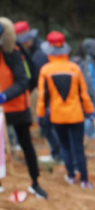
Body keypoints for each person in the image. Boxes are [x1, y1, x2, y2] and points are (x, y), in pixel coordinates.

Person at [37, 32, 95, 189]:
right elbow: (84, 94)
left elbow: (43, 97)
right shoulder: (74, 68)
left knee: (65, 147)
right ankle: (85, 180)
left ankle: (70, 176)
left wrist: (40, 114)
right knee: (79, 148)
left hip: (57, 117)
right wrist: (90, 111)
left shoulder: (46, 70)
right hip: (76, 115)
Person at [0, 18, 47, 199]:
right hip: (0, 111)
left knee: (26, 144)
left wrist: (5, 95)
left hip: (17, 107)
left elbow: (23, 82)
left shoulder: (14, 53)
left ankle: (35, 182)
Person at [14, 20, 62, 164]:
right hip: (51, 93)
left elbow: (36, 78)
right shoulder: (37, 49)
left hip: (51, 94)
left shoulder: (39, 54)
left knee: (46, 124)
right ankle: (59, 154)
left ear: (27, 40)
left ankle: (58, 155)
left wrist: (22, 90)